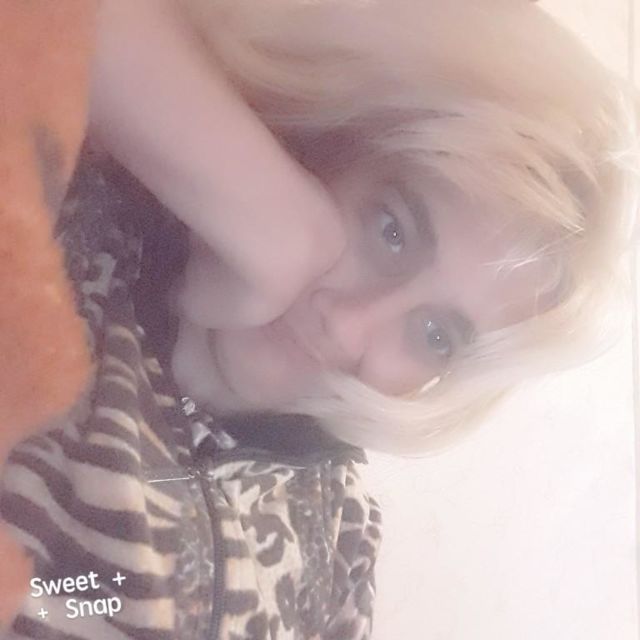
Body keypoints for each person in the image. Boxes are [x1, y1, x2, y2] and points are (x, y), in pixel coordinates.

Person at [0, 0, 636, 638]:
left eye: (435, 336)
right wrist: (273, 230)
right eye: (391, 229)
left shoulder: (342, 545)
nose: (351, 326)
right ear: (333, 139)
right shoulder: (67, 230)